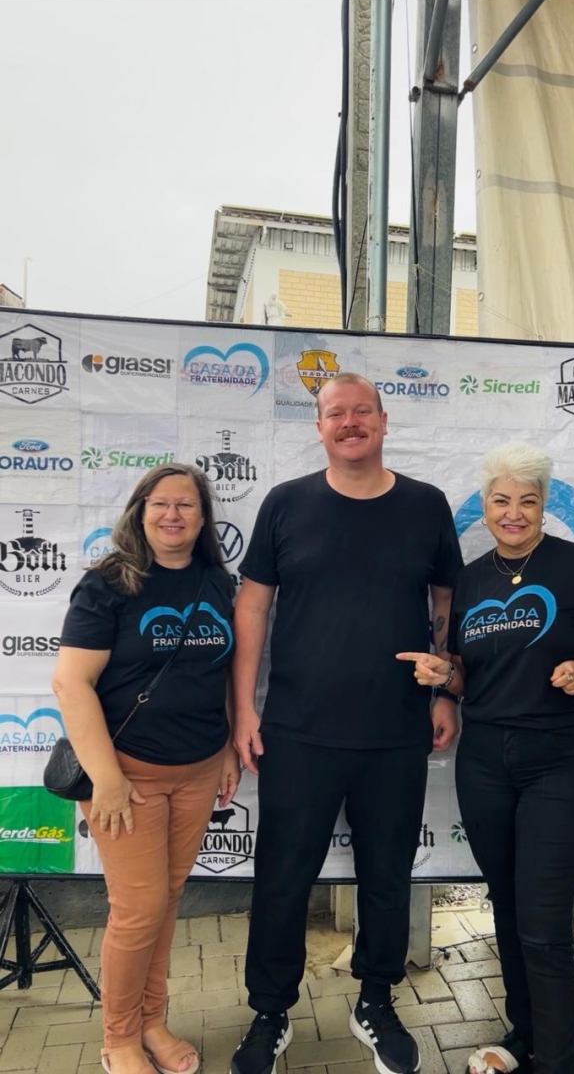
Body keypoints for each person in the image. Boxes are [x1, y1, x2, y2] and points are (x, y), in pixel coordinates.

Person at [230, 372, 463, 1074]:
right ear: (320, 427)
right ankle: (270, 1012)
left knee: (387, 875)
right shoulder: (285, 503)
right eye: (337, 413)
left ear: (384, 422)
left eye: (363, 411)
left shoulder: (425, 504)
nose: (351, 422)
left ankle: (376, 1001)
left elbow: (446, 599)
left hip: (396, 729)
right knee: (282, 879)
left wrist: (446, 689)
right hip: (297, 730)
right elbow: (252, 607)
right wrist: (243, 708)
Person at [398, 442, 574, 1074]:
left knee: (545, 923)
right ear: (485, 505)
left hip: (563, 755)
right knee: (507, 907)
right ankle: (525, 1036)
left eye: (527, 501)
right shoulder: (470, 580)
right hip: (485, 760)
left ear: (543, 505)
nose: (513, 512)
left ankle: (559, 1060)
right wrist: (441, 676)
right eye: (501, 500)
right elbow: (465, 673)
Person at [52, 463, 239, 1074]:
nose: (172, 515)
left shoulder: (217, 582)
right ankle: (119, 1040)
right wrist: (107, 779)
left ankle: (152, 1023)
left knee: (166, 901)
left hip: (199, 768)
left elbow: (221, 673)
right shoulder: (109, 583)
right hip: (127, 776)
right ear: (140, 512)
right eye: (160, 504)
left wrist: (228, 748)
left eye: (186, 505)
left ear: (203, 519)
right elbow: (71, 682)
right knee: (137, 911)